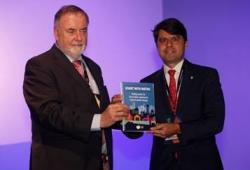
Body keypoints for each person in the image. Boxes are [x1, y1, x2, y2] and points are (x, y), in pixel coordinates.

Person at [23, 5, 129, 170]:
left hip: (99, 162)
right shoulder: (39, 65)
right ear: (56, 33)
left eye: (84, 30)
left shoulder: (94, 67)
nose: (79, 37)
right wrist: (100, 119)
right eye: (71, 31)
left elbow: (96, 111)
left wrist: (115, 109)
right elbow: (49, 113)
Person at [141, 18, 225, 170]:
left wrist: (178, 129)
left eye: (175, 39)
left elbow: (216, 122)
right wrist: (125, 114)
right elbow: (137, 130)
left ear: (185, 43)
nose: (169, 45)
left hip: (202, 164)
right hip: (163, 165)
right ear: (156, 46)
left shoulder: (207, 76)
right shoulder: (146, 83)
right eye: (163, 40)